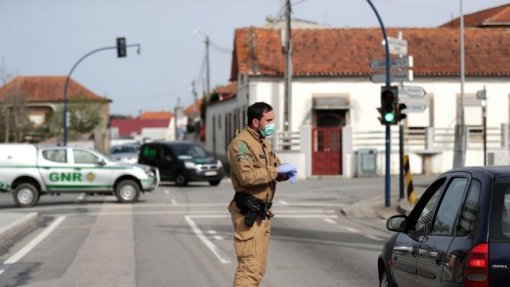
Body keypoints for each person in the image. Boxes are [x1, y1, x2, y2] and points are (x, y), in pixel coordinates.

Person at [227, 102, 297, 286]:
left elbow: (273, 168)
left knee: (257, 269)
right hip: (248, 212)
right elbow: (247, 177)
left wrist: (284, 172)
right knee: (249, 270)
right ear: (256, 121)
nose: (273, 124)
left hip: (262, 213)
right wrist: (276, 171)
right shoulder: (241, 144)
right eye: (269, 120)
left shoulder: (262, 142)